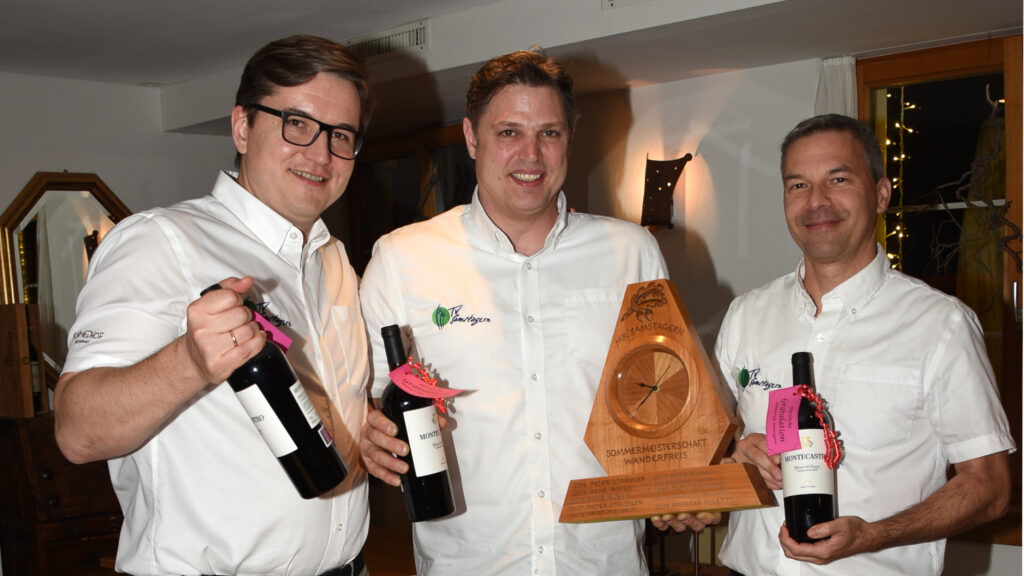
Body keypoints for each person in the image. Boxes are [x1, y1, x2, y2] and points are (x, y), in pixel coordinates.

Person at [357, 48, 699, 576]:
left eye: (549, 133)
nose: (531, 154)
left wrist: (685, 476)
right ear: (471, 137)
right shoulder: (402, 258)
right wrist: (372, 432)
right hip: (468, 564)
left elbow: (666, 395)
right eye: (508, 132)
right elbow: (369, 402)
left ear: (571, 136)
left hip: (601, 562)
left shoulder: (631, 252)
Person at [53, 35, 375, 576]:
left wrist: (370, 434)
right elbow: (76, 431)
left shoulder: (335, 260)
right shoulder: (159, 241)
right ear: (242, 127)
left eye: (341, 135)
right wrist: (190, 361)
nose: (321, 154)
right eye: (297, 123)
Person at [715, 113, 1014, 575]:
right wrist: (735, 451)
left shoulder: (941, 324)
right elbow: (710, 442)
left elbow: (989, 486)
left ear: (881, 194)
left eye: (838, 179)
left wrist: (874, 535)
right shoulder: (746, 315)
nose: (816, 201)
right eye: (798, 185)